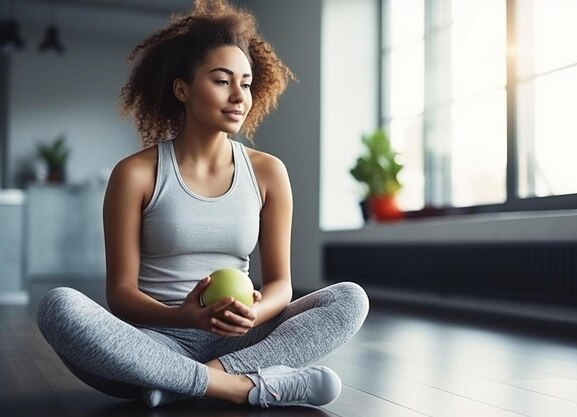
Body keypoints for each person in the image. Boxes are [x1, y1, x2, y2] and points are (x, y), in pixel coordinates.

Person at [36, 0, 369, 409]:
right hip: (156, 338)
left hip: (242, 336)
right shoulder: (136, 174)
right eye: (221, 80)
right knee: (58, 307)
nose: (238, 96)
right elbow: (120, 293)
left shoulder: (268, 173)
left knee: (350, 297)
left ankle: (186, 381)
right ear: (182, 89)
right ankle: (245, 386)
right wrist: (185, 317)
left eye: (245, 83)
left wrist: (255, 314)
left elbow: (281, 284)